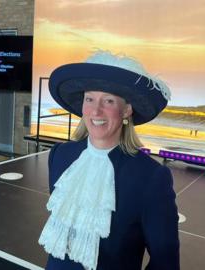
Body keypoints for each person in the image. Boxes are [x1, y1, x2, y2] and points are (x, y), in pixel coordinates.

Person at [38, 51, 179, 270]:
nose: (96, 110)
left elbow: (166, 263)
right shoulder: (60, 156)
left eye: (109, 100)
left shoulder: (151, 177)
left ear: (127, 110)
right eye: (90, 98)